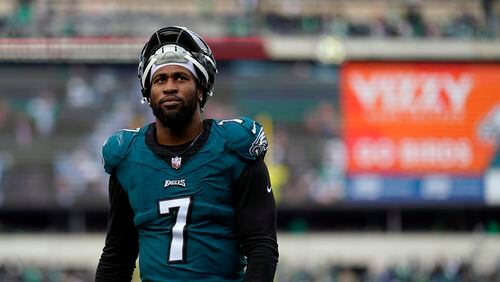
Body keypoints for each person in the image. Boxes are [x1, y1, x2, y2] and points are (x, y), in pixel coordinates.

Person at [95, 26, 279, 281]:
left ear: (201, 88)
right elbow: (117, 256)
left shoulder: (234, 150)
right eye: (160, 79)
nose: (170, 87)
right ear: (148, 93)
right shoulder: (127, 157)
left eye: (181, 77)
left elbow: (262, 248)